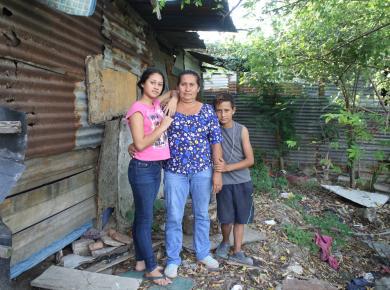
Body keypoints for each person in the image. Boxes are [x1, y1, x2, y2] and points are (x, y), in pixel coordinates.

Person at [163, 70, 224, 279]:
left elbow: (216, 141)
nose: (187, 88)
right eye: (183, 84)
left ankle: (203, 253)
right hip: (174, 172)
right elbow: (151, 103)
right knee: (173, 216)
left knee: (202, 214)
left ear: (198, 88)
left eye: (191, 85)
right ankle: (173, 259)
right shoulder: (169, 107)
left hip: (202, 171)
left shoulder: (207, 111)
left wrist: (217, 172)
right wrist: (172, 96)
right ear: (178, 86)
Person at [126, 67, 177, 286]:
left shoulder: (155, 104)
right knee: (146, 220)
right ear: (142, 84)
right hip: (143, 169)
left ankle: (139, 260)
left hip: (154, 167)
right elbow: (139, 144)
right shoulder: (137, 109)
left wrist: (173, 98)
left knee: (141, 216)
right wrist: (164, 126)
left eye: (159, 83)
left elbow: (174, 91)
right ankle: (150, 267)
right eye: (152, 82)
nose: (156, 87)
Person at [213, 93, 255, 266]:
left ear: (234, 110)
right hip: (225, 182)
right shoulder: (213, 129)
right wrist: (220, 173)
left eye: (226, 110)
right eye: (219, 111)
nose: (223, 114)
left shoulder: (241, 130)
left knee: (240, 218)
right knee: (225, 217)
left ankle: (237, 250)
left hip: (243, 181)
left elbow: (250, 160)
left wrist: (227, 167)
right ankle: (224, 242)